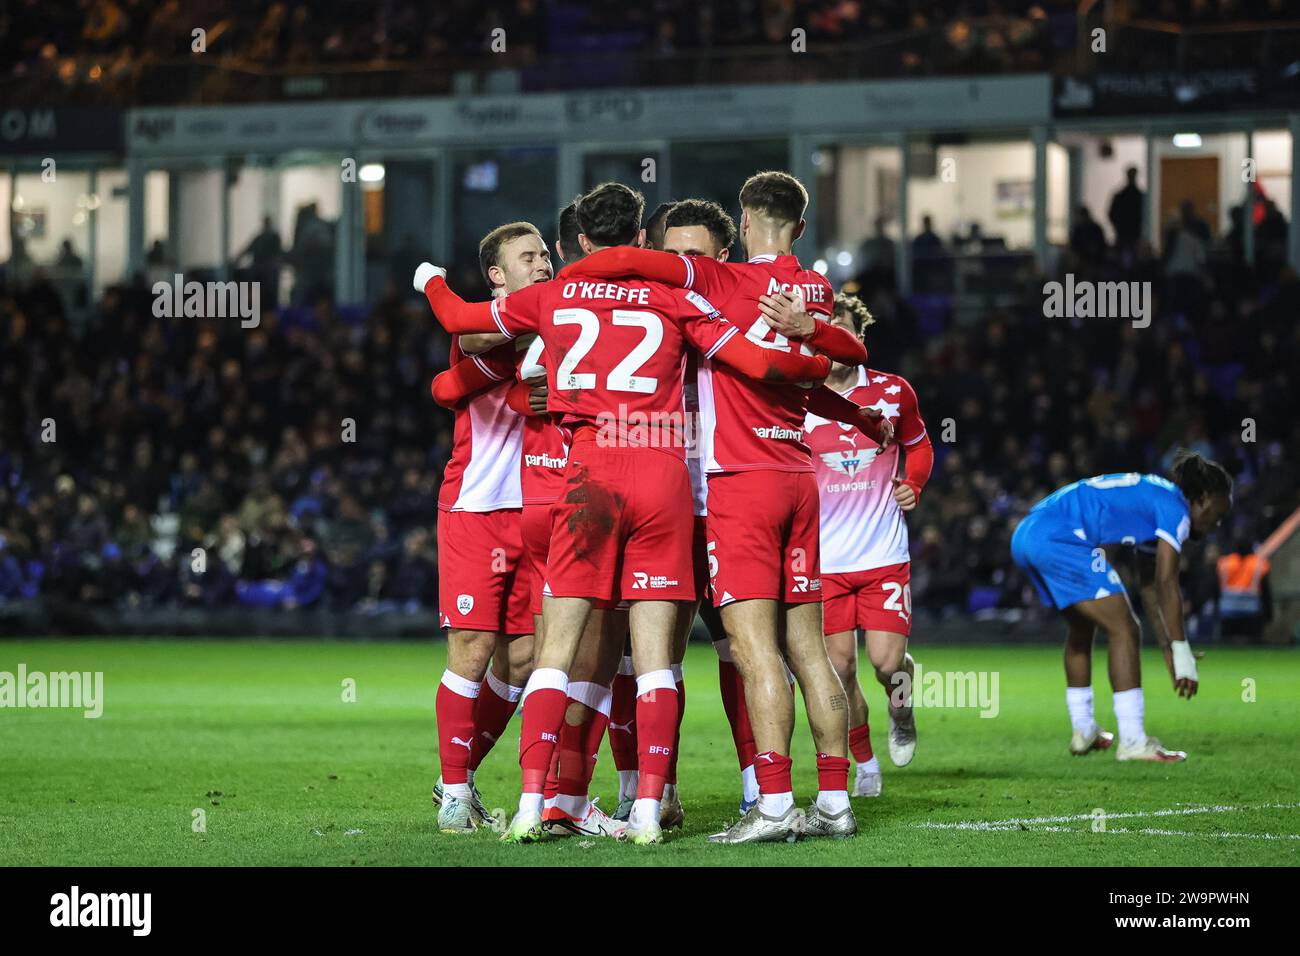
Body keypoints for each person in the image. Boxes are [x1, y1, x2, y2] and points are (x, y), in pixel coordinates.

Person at [417, 181, 836, 845]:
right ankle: (647, 809)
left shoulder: (552, 294)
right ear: (642, 239)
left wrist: (430, 280)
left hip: (584, 480)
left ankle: (536, 802)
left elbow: (457, 324)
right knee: (657, 661)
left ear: (576, 242)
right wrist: (822, 352)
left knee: (557, 652)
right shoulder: (675, 297)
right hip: (665, 476)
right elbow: (756, 360)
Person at [557, 172, 892, 843]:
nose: (688, 269)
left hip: (730, 488)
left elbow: (626, 263)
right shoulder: (811, 290)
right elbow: (842, 354)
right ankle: (819, 799)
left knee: (746, 650)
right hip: (759, 481)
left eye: (698, 257)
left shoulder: (715, 289)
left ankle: (766, 801)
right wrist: (853, 403)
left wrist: (570, 277)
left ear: (735, 235)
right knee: (706, 654)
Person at [426, 221, 548, 834]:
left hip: (540, 512)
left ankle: (458, 774)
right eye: (528, 258)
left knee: (524, 662)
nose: (543, 264)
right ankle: (453, 794)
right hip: (476, 507)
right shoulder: (481, 326)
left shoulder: (556, 321)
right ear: (498, 276)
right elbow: (456, 375)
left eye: (546, 254)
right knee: (473, 651)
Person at [1010, 454, 1233, 762]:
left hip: (1027, 534)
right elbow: (1168, 583)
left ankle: (1083, 730)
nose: (1215, 524)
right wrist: (1183, 650)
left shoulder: (1156, 499)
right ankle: (1132, 740)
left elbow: (1150, 588)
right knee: (1125, 629)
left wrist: (1171, 651)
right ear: (1203, 498)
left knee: (1082, 627)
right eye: (1216, 514)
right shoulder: (1176, 509)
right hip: (1059, 539)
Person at [807, 293, 932, 798]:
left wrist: (914, 485)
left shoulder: (891, 391)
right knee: (838, 670)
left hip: (882, 557)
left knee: (885, 664)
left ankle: (901, 711)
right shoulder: (802, 398)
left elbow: (919, 443)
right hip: (825, 562)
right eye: (824, 331)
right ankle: (866, 763)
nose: (834, 341)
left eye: (842, 331)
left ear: (859, 339)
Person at [1108, 166, 1144, 254]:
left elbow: (1111, 214)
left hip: (1129, 234)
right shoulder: (1139, 196)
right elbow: (1111, 214)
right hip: (1129, 234)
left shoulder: (1122, 196)